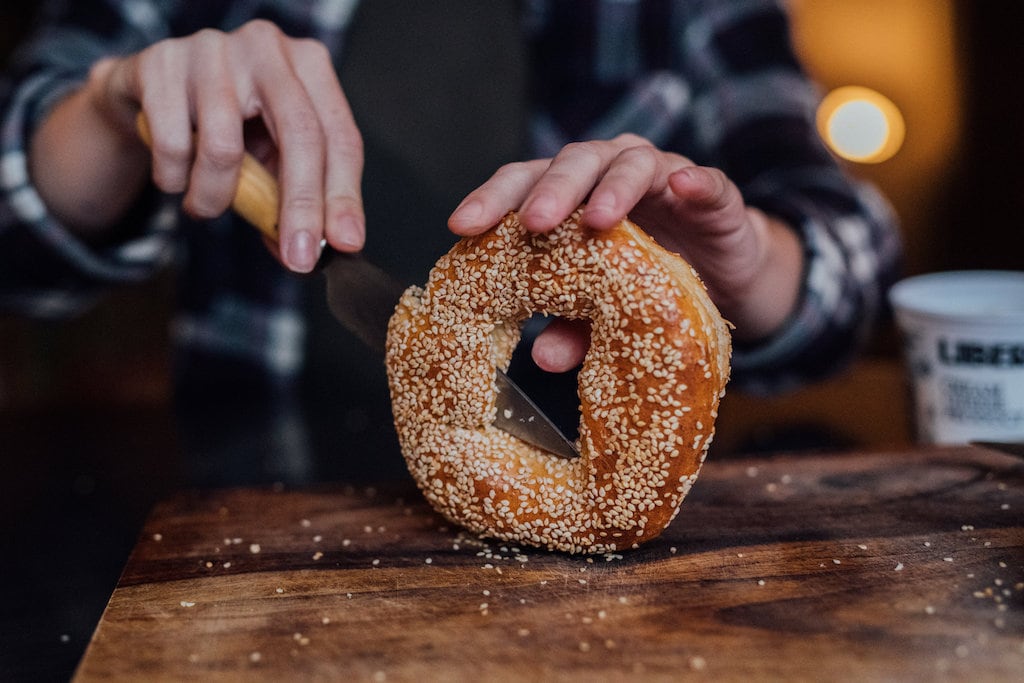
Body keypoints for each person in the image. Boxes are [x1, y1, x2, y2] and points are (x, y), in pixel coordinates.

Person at [0, 0, 901, 481]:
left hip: (595, 549)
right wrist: (112, 106)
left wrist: (751, 261)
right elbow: (19, 248)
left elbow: (850, 251)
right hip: (243, 490)